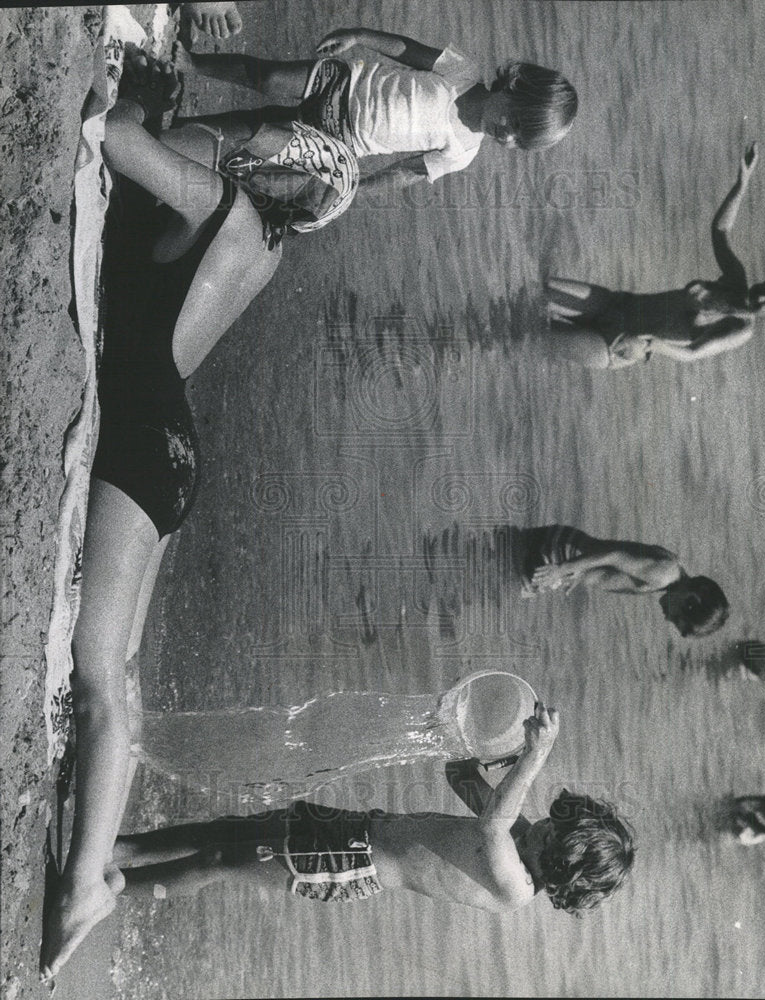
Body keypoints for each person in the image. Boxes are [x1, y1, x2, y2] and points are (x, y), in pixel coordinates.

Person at [40, 49, 358, 980]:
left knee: (101, 675)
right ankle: (93, 859)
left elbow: (115, 131)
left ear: (285, 173)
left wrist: (240, 121)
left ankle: (89, 883)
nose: (258, 147)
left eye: (276, 147)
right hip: (163, 447)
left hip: (145, 444)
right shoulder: (260, 243)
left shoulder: (222, 204)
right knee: (115, 675)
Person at [111, 703, 635, 916]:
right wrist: (499, 747)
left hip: (351, 865)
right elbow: (460, 776)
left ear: (560, 873)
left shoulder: (516, 888)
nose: (539, 826)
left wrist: (538, 755)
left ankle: (112, 889)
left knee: (222, 862)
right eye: (552, 820)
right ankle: (117, 850)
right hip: (357, 830)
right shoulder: (518, 827)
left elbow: (494, 824)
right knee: (230, 830)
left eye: (549, 839)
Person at [172, 26, 578, 195]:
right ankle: (193, 64)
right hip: (344, 82)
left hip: (342, 140)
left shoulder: (464, 151)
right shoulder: (463, 70)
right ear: (516, 86)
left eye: (517, 139)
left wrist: (355, 187)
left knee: (253, 130)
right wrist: (359, 36)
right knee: (267, 76)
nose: (506, 134)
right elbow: (406, 48)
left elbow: (406, 172)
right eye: (515, 120)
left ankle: (184, 131)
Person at [544, 143, 765, 368]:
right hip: (615, 303)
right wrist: (742, 185)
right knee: (533, 292)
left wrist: (652, 345)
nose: (760, 298)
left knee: (526, 334)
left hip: (618, 344)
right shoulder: (735, 278)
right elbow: (720, 230)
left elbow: (693, 352)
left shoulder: (740, 329)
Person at [514, 524, 728, 638]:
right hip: (560, 554)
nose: (668, 619)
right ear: (689, 599)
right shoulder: (664, 575)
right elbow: (614, 555)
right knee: (497, 584)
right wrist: (562, 569)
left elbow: (612, 563)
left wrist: (579, 573)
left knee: (501, 552)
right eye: (676, 618)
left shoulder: (671, 571)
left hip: (565, 546)